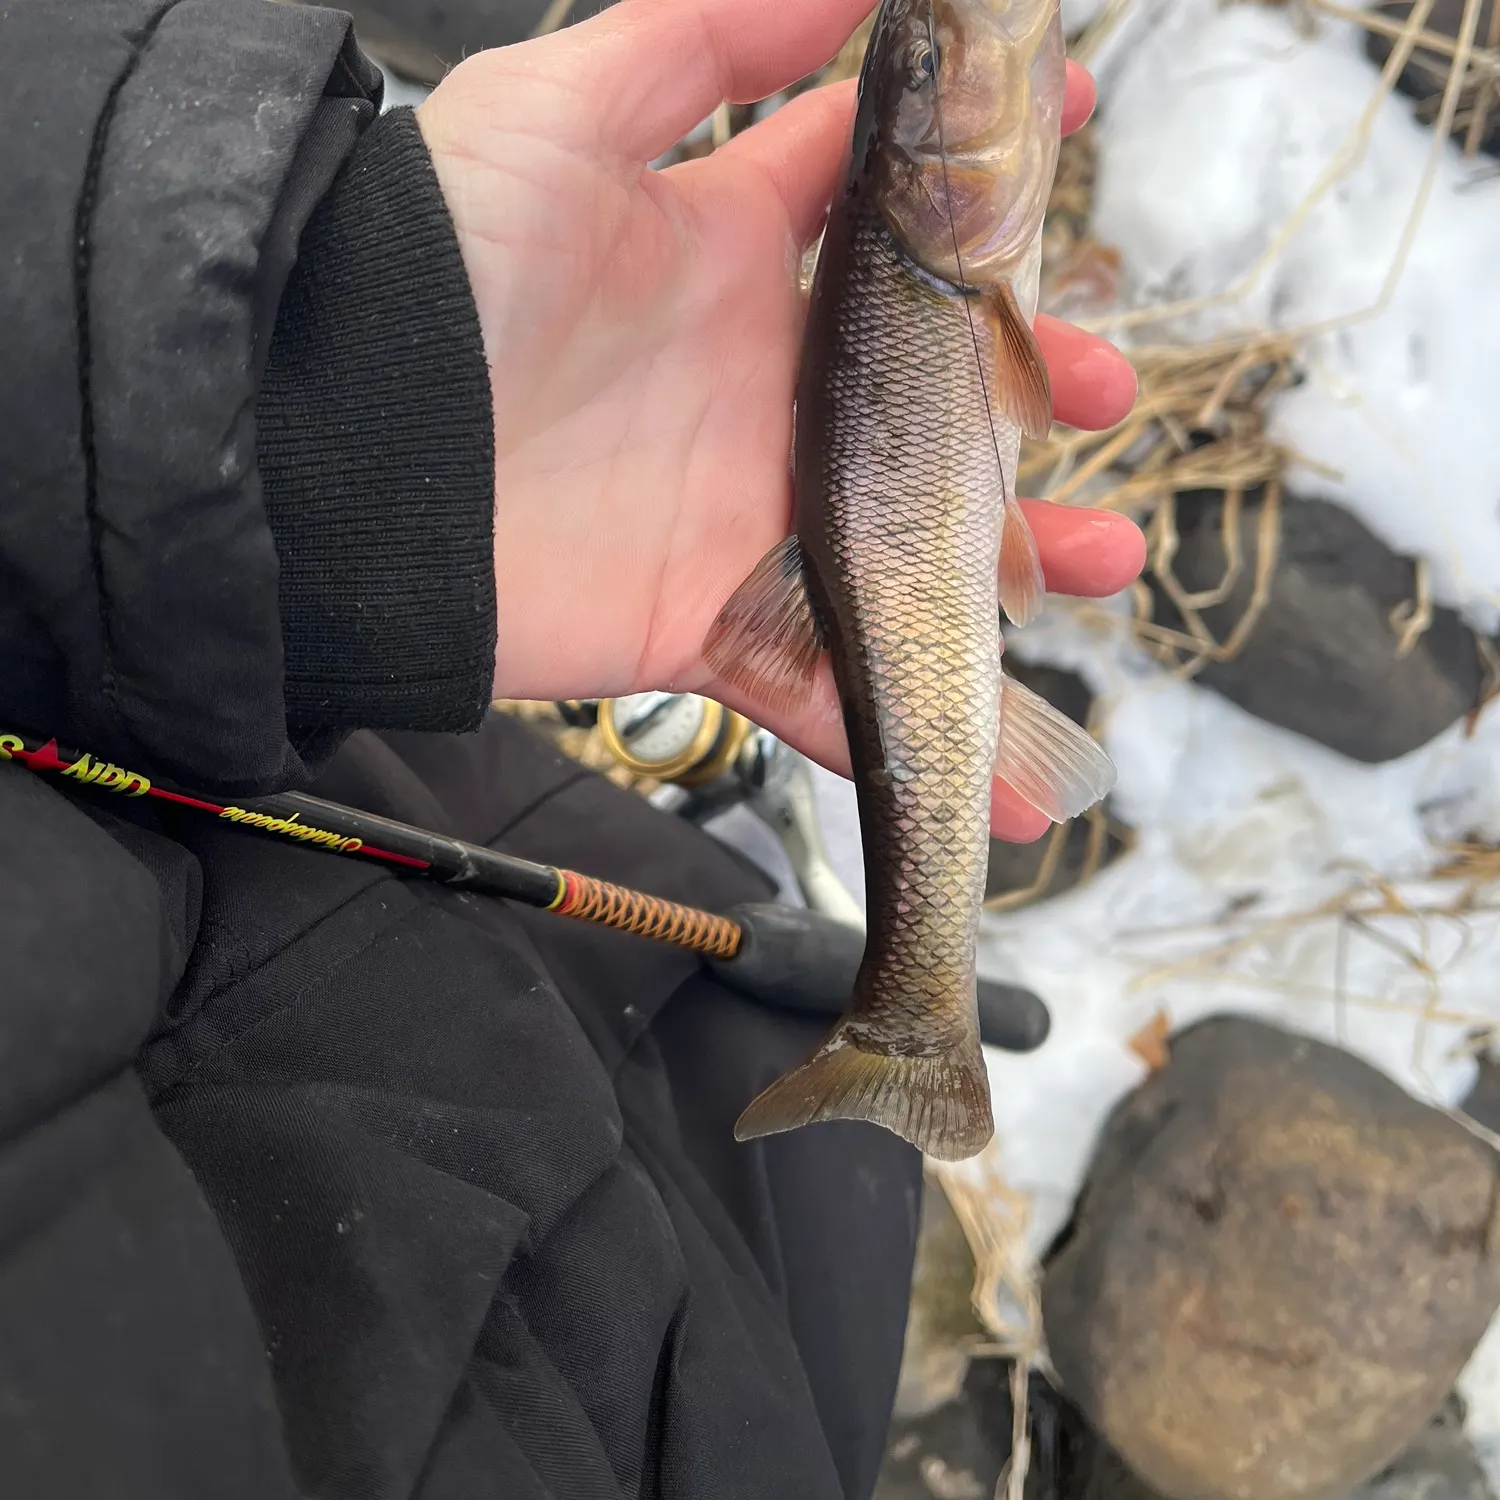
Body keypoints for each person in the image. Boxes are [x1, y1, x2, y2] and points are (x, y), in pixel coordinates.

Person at [0, 1, 1144, 1496]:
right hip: (579, 1292)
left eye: (919, 71)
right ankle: (864, 984)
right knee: (777, 1167)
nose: (948, 64)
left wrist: (323, 409)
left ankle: (827, 965)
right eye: (924, 72)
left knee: (703, 1051)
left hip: (337, 952)